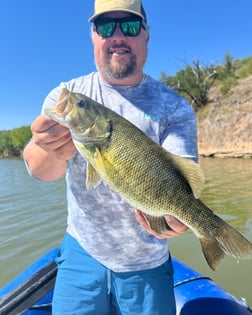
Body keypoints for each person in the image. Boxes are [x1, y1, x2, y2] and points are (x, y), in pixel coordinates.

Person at [23, 0, 198, 314]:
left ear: (146, 35)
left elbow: (183, 177)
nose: (118, 35)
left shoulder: (174, 107)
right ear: (93, 36)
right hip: (81, 253)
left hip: (148, 262)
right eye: (105, 26)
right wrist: (46, 147)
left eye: (129, 26)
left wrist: (178, 219)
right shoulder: (69, 95)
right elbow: (39, 169)